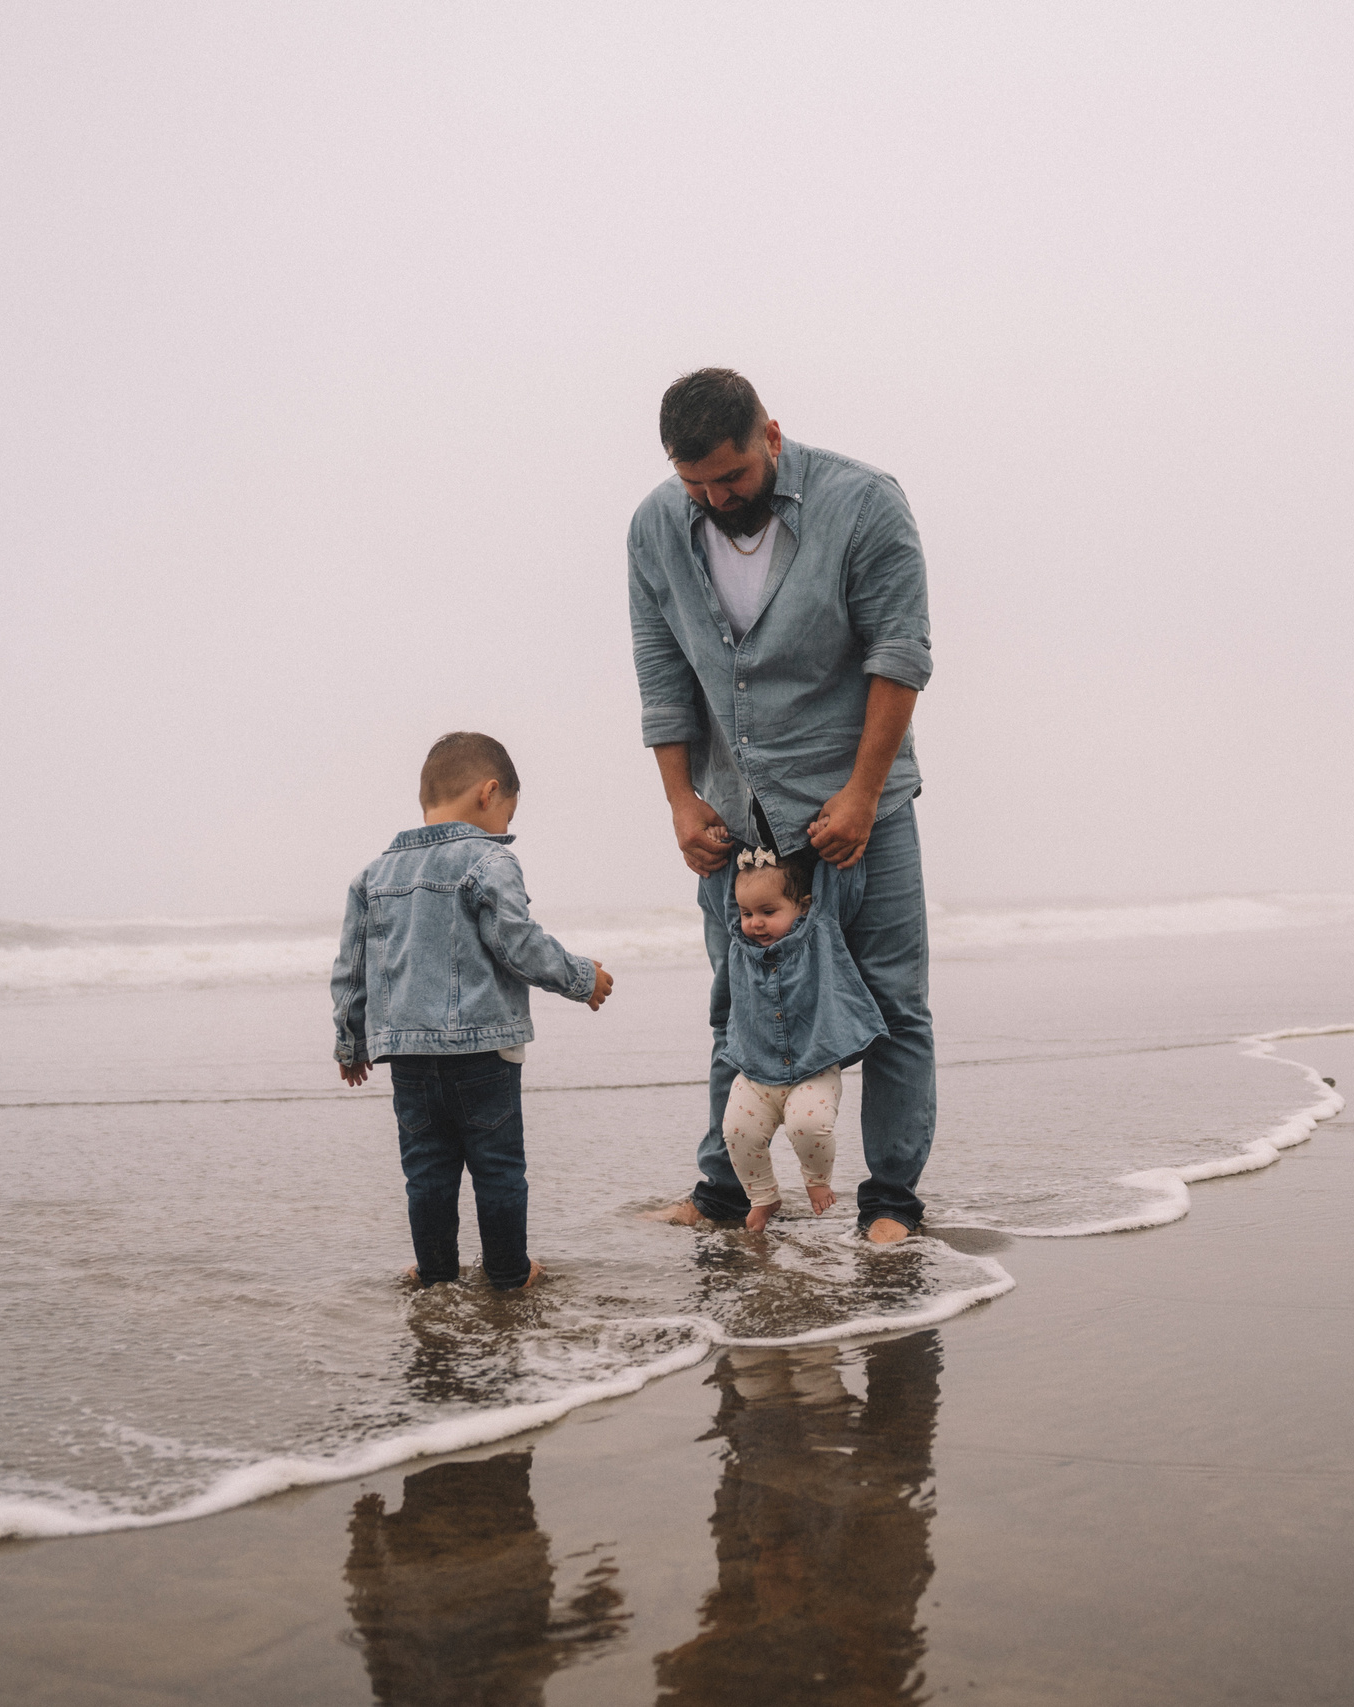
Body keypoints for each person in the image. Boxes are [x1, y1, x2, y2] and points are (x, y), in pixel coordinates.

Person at [627, 368, 937, 1244]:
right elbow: (662, 670)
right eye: (697, 484)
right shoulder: (656, 524)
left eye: (730, 477)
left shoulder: (863, 502)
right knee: (737, 1003)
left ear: (770, 432)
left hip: (858, 804)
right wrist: (682, 800)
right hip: (735, 812)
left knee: (893, 1004)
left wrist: (864, 793)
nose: (716, 498)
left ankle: (890, 1203)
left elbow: (900, 652)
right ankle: (724, 1192)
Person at [331, 732, 612, 1290]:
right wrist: (583, 978)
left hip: (407, 1057)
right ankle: (508, 1273)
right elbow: (518, 943)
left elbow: (352, 966)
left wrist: (350, 1041)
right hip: (485, 1052)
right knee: (498, 1169)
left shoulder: (372, 876)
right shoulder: (489, 859)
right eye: (509, 809)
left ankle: (436, 1276)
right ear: (489, 793)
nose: (507, 822)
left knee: (427, 1173)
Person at [715, 845, 887, 1231]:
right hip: (756, 1070)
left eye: (768, 912)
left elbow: (833, 880)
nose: (755, 923)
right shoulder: (740, 944)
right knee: (736, 1132)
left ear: (804, 907)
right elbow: (729, 905)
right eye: (747, 913)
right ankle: (764, 1197)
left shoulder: (819, 930)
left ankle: (816, 1180)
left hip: (813, 1064)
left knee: (808, 1127)